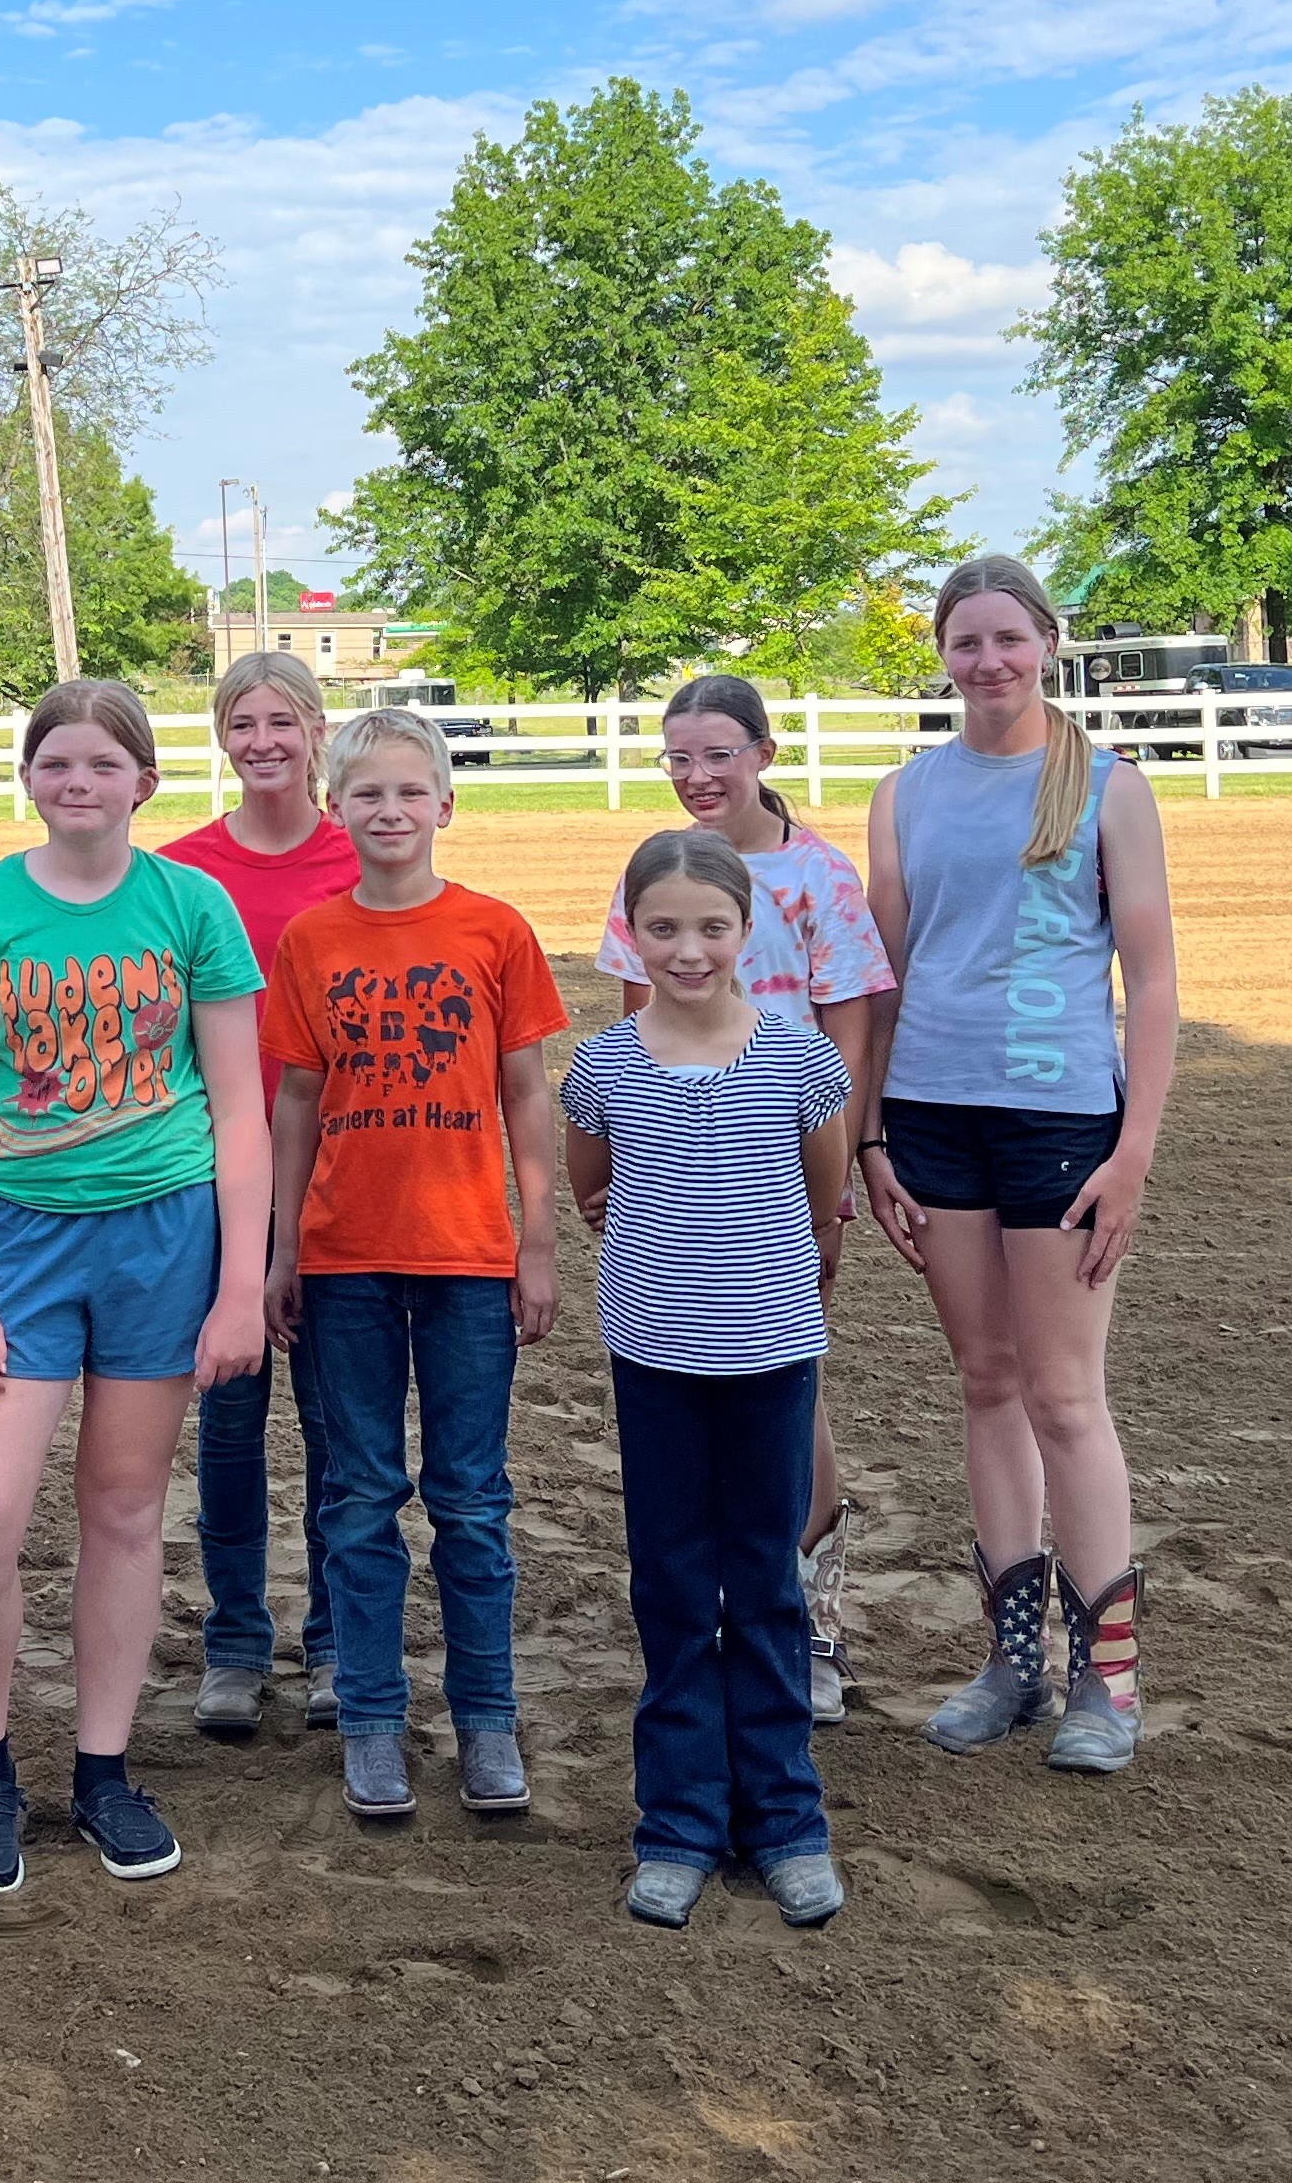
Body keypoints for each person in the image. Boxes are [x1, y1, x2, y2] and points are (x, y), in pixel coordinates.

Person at [0, 679, 272, 1894]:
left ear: (144, 783)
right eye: (55, 763)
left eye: (102, 766)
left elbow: (239, 1110)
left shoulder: (190, 904)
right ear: (30, 778)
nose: (78, 784)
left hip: (164, 1236)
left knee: (122, 1512)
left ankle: (104, 1769)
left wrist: (237, 1286)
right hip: (21, 1239)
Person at [859, 552, 1177, 1777]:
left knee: (1063, 1394)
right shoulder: (907, 795)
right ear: (941, 655)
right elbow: (881, 978)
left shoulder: (1107, 788)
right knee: (986, 1382)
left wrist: (1133, 1149)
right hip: (933, 1115)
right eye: (964, 642)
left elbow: (1149, 980)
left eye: (1008, 639)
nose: (987, 662)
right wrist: (873, 1130)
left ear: (1046, 642)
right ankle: (1011, 1661)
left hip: (1059, 1122)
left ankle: (1110, 1682)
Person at [262, 707, 567, 1822]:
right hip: (346, 1261)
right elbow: (297, 1098)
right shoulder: (314, 940)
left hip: (467, 1260)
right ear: (335, 807)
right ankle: (375, 1718)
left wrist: (533, 1238)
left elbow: (526, 1092)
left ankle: (486, 1718)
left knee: (473, 1499)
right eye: (366, 794)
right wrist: (286, 1245)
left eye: (409, 792)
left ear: (445, 803)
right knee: (358, 1497)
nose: (388, 812)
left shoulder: (495, 931)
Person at [563, 827, 854, 1932]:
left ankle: (785, 1820)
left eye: (712, 927)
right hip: (657, 1362)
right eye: (663, 928)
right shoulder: (603, 1065)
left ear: (749, 930)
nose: (689, 950)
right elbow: (594, 1186)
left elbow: (823, 1193)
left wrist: (780, 1281)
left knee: (767, 1583)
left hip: (772, 1356)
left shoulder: (796, 1057)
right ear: (631, 934)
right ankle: (679, 1822)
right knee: (676, 1586)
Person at [593, 673, 891, 1725]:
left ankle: (808, 1604)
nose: (697, 775)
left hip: (783, 1167)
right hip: (684, 1176)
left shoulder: (816, 875)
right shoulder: (659, 880)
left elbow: (846, 1019)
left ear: (763, 754)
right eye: (678, 757)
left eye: (717, 753)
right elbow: (634, 1027)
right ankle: (721, 1608)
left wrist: (842, 1160)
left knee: (786, 1378)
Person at [156, 649, 362, 1738]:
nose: (265, 741)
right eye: (245, 723)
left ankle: (333, 1639)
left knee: (338, 1426)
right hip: (218, 1178)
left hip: (341, 1179)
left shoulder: (356, 856)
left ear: (317, 730)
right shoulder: (181, 870)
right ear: (224, 740)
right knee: (230, 1422)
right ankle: (235, 1641)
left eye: (284, 720)